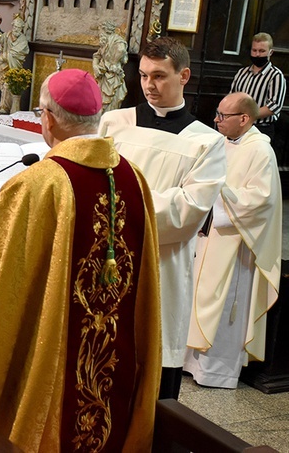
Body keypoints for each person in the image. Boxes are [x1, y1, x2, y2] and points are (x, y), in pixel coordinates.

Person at [0, 68, 161, 452]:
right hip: (117, 354)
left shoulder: (41, 181)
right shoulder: (133, 177)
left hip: (55, 351)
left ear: (46, 117)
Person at [98, 36, 226, 400]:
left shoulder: (206, 142)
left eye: (159, 76)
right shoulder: (114, 123)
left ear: (184, 75)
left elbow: (187, 211)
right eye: (142, 76)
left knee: (150, 352)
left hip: (162, 264)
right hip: (106, 256)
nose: (149, 86)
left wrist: (117, 206)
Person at [184, 92, 281, 389]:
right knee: (198, 296)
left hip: (236, 243)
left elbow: (261, 201)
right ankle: (190, 363)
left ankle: (217, 371)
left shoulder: (261, 152)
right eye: (217, 113)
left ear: (244, 119)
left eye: (223, 116)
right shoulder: (221, 142)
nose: (216, 119)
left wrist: (217, 201)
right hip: (208, 235)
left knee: (225, 305)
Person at [229, 33, 286, 142]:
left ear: (270, 52)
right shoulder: (242, 72)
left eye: (261, 51)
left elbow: (274, 106)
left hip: (261, 128)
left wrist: (248, 116)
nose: (257, 55)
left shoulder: (276, 75)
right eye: (254, 50)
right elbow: (232, 97)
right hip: (237, 126)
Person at [0, 14, 30, 113]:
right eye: (15, 27)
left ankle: (6, 107)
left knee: (8, 85)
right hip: (5, 66)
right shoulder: (8, 34)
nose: (16, 29)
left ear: (21, 28)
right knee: (2, 85)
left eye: (18, 27)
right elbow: (0, 39)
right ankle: (2, 105)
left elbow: (17, 53)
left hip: (14, 66)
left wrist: (4, 57)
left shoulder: (22, 40)